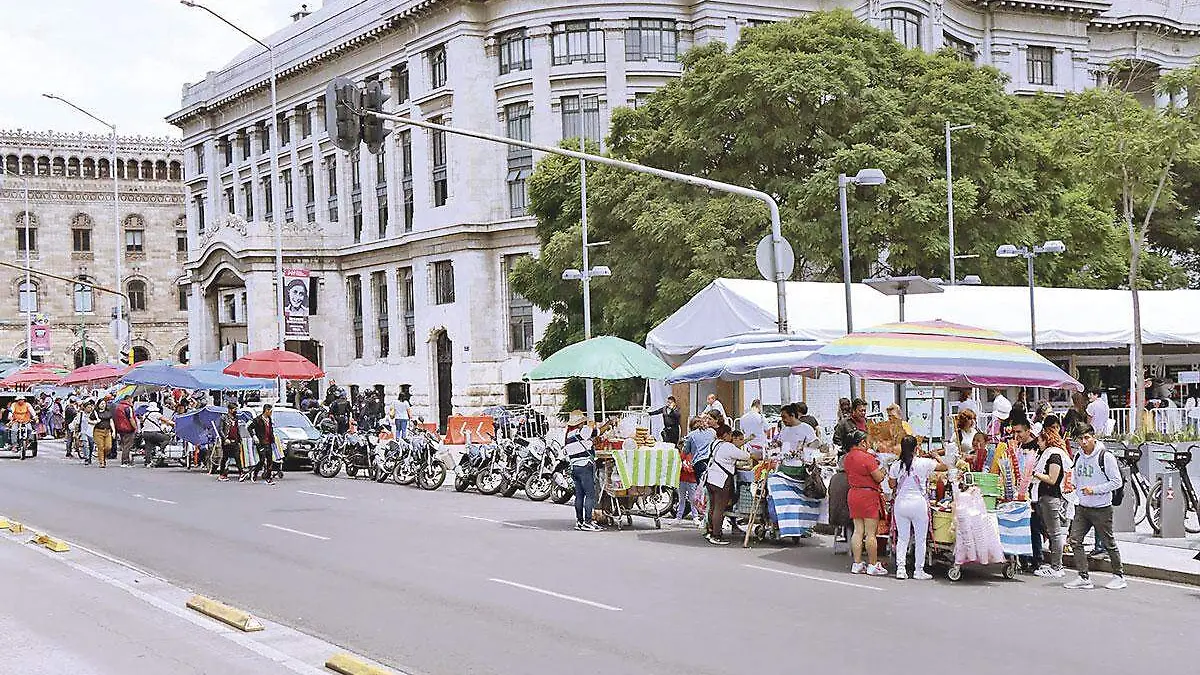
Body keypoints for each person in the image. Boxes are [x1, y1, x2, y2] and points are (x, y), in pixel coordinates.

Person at [1064, 424, 1126, 590]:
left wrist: (1095, 490)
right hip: (1082, 507)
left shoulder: (1105, 456)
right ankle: (1083, 577)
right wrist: (1072, 485)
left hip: (1101, 508)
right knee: (1075, 540)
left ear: (1093, 437)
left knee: (1108, 542)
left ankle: (1119, 576)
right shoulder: (1078, 456)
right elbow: (1077, 476)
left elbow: (1116, 482)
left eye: (1087, 438)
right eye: (1080, 439)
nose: (1084, 442)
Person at [888, 435, 944, 580]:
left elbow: (892, 485)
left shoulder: (895, 465)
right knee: (920, 539)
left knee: (902, 538)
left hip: (901, 504)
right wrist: (937, 456)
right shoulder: (924, 463)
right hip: (919, 504)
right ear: (916, 448)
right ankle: (918, 570)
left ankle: (901, 569)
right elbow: (943, 467)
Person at [1031, 415, 1069, 579]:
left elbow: (1052, 479)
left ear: (1047, 440)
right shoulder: (1049, 454)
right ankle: (1055, 564)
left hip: (1051, 497)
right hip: (1046, 498)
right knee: (1052, 531)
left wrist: (1036, 474)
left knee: (1055, 533)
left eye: (1039, 441)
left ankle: (1057, 567)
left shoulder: (1054, 456)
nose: (1038, 444)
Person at [844, 429, 887, 575]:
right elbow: (878, 477)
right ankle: (873, 564)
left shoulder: (847, 457)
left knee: (857, 531)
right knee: (870, 534)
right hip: (868, 495)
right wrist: (884, 470)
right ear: (862, 442)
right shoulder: (867, 458)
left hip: (853, 493)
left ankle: (857, 563)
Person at [704, 424, 755, 545]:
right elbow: (745, 456)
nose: (732, 437)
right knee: (719, 509)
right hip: (721, 480)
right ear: (726, 435)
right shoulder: (727, 446)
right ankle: (716, 535)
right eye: (731, 434)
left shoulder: (714, 444)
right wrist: (755, 455)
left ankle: (710, 531)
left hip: (710, 479)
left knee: (712, 507)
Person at [564, 410, 602, 531]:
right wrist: (591, 423)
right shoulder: (583, 431)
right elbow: (596, 431)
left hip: (575, 468)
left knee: (579, 496)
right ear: (579, 423)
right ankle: (588, 522)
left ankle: (579, 522)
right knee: (590, 495)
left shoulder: (568, 435)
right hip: (585, 466)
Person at [249, 404, 278, 485]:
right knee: (262, 460)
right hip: (261, 443)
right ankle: (255, 472)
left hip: (269, 442)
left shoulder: (270, 419)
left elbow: (270, 430)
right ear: (266, 410)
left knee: (270, 460)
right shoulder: (258, 419)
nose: (271, 413)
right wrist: (254, 436)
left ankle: (269, 478)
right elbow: (249, 427)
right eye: (270, 411)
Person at [676, 420, 698, 523]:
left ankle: (694, 517)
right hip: (684, 478)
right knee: (684, 499)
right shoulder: (684, 454)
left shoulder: (693, 453)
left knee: (692, 499)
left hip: (690, 479)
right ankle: (679, 516)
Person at [216, 402, 245, 482]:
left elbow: (237, 429)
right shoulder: (224, 417)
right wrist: (225, 439)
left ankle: (241, 473)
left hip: (235, 441)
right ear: (230, 409)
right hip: (227, 442)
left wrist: (239, 439)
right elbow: (220, 430)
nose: (236, 411)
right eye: (234, 409)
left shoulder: (235, 418)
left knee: (237, 457)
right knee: (225, 457)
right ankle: (222, 474)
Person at [112, 397, 139, 468]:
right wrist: (135, 427)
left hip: (120, 428)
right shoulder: (127, 407)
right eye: (132, 400)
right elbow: (131, 418)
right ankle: (125, 461)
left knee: (124, 445)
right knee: (127, 445)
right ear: (129, 399)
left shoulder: (118, 407)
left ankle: (126, 460)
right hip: (128, 428)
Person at [91, 398, 114, 469]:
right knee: (100, 447)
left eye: (104, 403)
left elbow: (111, 422)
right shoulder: (95, 412)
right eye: (101, 403)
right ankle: (101, 462)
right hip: (98, 431)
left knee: (108, 447)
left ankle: (103, 456)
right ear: (98, 405)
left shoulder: (108, 412)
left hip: (107, 431)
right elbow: (89, 420)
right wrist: (95, 422)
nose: (103, 405)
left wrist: (114, 431)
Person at [78, 400, 96, 465]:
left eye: (90, 407)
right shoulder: (81, 414)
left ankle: (90, 456)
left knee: (91, 445)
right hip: (83, 431)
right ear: (85, 408)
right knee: (86, 445)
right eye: (88, 407)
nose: (89, 408)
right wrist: (76, 432)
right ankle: (86, 458)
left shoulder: (93, 414)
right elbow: (77, 423)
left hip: (91, 432)